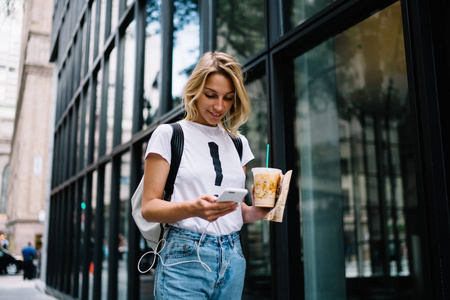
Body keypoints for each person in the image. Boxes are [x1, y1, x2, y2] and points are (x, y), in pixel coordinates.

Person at [141, 51, 270, 299]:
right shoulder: (169, 135)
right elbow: (149, 207)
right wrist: (194, 208)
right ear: (195, 90)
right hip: (184, 256)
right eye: (211, 95)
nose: (219, 106)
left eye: (228, 98)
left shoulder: (238, 144)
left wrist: (256, 211)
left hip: (232, 257)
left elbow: (234, 210)